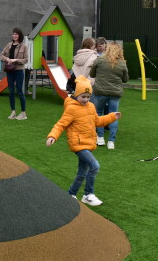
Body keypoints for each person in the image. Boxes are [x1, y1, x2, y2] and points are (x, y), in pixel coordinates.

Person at [46, 76, 120, 207]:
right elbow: (61, 124)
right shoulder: (71, 108)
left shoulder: (91, 107)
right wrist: (52, 136)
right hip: (78, 144)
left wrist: (111, 117)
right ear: (76, 94)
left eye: (88, 97)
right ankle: (88, 194)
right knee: (95, 166)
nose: (86, 100)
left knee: (82, 173)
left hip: (88, 143)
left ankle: (71, 194)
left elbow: (98, 121)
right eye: (83, 96)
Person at [90, 42, 129, 149]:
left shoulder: (99, 60)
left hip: (100, 92)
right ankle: (111, 142)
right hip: (115, 93)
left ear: (107, 49)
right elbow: (125, 79)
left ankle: (100, 138)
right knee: (114, 115)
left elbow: (92, 74)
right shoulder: (122, 63)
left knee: (99, 113)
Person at [0, 27, 28, 120]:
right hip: (10, 71)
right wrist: (7, 59)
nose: (14, 35)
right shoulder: (9, 45)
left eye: (16, 34)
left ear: (19, 35)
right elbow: (1, 55)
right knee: (11, 91)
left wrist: (15, 60)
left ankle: (23, 113)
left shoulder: (24, 46)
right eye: (13, 34)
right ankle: (13, 112)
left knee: (19, 91)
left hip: (19, 70)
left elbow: (26, 60)